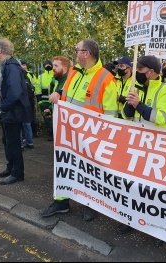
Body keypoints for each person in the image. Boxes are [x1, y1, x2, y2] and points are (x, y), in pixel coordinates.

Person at [40, 39, 118, 222]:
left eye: (77, 50)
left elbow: (111, 114)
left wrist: (102, 138)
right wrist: (58, 94)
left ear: (86, 54)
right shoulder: (74, 71)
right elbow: (66, 95)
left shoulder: (106, 79)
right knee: (64, 167)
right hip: (68, 134)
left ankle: (90, 204)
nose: (75, 53)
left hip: (91, 137)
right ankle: (61, 202)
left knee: (89, 172)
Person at [120, 55, 166, 247]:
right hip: (136, 146)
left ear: (151, 72)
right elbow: (126, 117)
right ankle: (131, 219)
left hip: (156, 150)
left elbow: (162, 118)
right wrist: (129, 105)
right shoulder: (136, 88)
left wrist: (139, 105)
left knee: (154, 192)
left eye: (141, 70)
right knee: (134, 187)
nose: (137, 73)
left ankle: (159, 229)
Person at [0, 37, 32, 185]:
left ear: (0, 50)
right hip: (10, 112)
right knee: (7, 141)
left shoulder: (12, 67)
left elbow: (15, 92)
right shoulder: (7, 65)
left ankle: (17, 173)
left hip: (13, 112)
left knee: (13, 143)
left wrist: (3, 107)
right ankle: (10, 167)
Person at [36, 60, 54, 141]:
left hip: (54, 102)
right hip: (44, 102)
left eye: (49, 64)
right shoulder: (40, 77)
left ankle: (57, 134)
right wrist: (40, 102)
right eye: (46, 65)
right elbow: (38, 89)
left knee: (56, 118)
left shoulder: (55, 75)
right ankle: (51, 134)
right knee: (47, 119)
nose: (48, 66)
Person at [20, 60, 39, 138]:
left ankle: (34, 132)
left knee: (32, 116)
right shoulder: (19, 74)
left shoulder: (30, 74)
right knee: (26, 118)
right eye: (22, 65)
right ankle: (27, 135)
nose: (24, 66)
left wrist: (33, 90)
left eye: (25, 65)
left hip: (30, 97)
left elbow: (35, 83)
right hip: (25, 98)